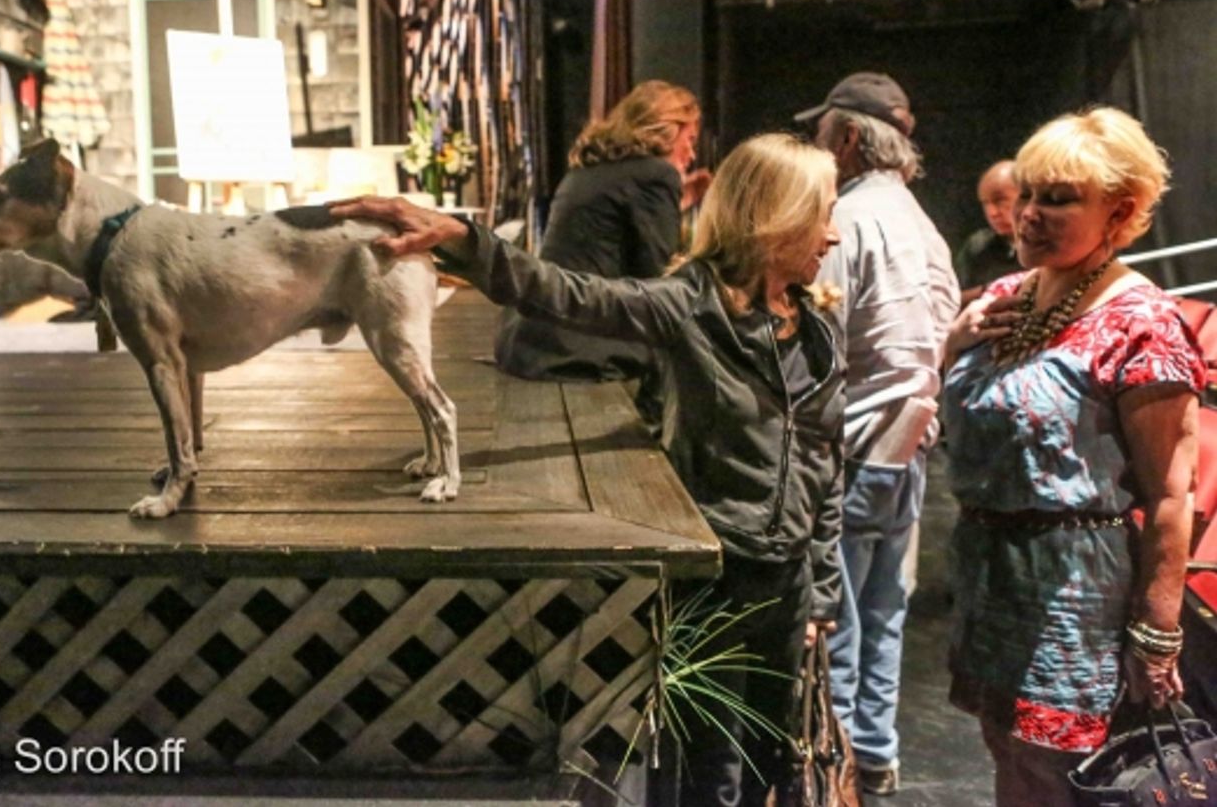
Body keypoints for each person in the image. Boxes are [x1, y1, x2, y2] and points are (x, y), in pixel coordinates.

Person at [334, 133, 846, 805]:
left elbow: (826, 462)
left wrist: (824, 596)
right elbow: (566, 292)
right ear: (773, 219)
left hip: (788, 585)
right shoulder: (688, 305)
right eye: (822, 215)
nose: (833, 237)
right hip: (713, 578)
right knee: (706, 776)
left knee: (772, 766)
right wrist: (464, 237)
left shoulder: (816, 330)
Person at [942, 106, 1203, 806]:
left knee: (1055, 772)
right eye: (1026, 193)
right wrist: (953, 341)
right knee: (1009, 754)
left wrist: (1156, 634)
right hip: (991, 578)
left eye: (1056, 199)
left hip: (1073, 595)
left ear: (1120, 212)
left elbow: (1172, 494)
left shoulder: (1140, 322)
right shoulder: (1003, 299)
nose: (1028, 213)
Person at [796, 71, 960, 797]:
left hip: (855, 448)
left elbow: (818, 338)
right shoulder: (923, 223)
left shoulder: (850, 220)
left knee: (837, 622)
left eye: (823, 134)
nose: (815, 146)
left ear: (852, 139)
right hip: (909, 446)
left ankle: (832, 773)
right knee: (885, 611)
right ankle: (874, 755)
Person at [493, 80, 706, 425]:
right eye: (690, 140)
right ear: (667, 130)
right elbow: (657, 279)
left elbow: (606, 240)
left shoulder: (588, 169)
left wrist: (675, 205)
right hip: (580, 346)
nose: (692, 154)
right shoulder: (657, 174)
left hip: (532, 338)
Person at [956, 160, 1022, 306]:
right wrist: (992, 289)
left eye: (1000, 200)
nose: (992, 213)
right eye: (985, 203)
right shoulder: (978, 245)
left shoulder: (1047, 245)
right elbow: (953, 299)